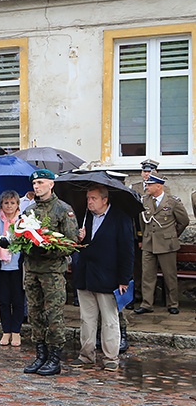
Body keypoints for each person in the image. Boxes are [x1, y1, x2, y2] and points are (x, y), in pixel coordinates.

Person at [69, 186, 134, 372]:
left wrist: (124, 278)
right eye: (88, 198)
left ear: (105, 200)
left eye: (93, 198)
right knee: (87, 319)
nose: (89, 202)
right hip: (85, 276)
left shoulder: (120, 219)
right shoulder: (85, 217)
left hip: (108, 277)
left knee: (109, 319)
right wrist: (79, 239)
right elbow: (80, 247)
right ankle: (86, 354)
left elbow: (127, 251)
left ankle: (110, 356)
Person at [21, 168, 79, 376]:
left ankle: (55, 357)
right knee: (35, 314)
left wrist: (50, 248)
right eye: (34, 184)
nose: (37, 187)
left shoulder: (63, 210)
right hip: (32, 270)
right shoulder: (29, 211)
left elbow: (72, 243)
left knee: (53, 314)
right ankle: (40, 354)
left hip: (52, 272)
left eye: (41, 183)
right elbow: (21, 236)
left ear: (51, 184)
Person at [134, 174, 189, 315]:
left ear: (159, 186)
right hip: (149, 243)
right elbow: (142, 221)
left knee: (169, 275)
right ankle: (147, 304)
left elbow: (184, 221)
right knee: (147, 275)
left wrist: (172, 235)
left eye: (150, 185)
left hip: (166, 244)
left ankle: (173, 303)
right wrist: (144, 237)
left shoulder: (172, 201)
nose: (147, 187)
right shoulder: (144, 200)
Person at [0, 190, 25, 347]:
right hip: (0, 269)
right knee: (4, 302)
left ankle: (16, 332)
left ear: (17, 205)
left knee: (18, 301)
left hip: (18, 268)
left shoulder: (23, 222)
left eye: (13, 203)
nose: (9, 206)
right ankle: (5, 331)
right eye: (6, 203)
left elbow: (30, 245)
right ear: (1, 204)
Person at [128, 159, 162, 307]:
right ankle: (136, 294)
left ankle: (151, 296)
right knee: (136, 266)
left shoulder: (163, 189)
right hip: (137, 232)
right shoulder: (134, 187)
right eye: (144, 171)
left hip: (156, 235)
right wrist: (138, 234)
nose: (146, 174)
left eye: (150, 171)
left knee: (151, 268)